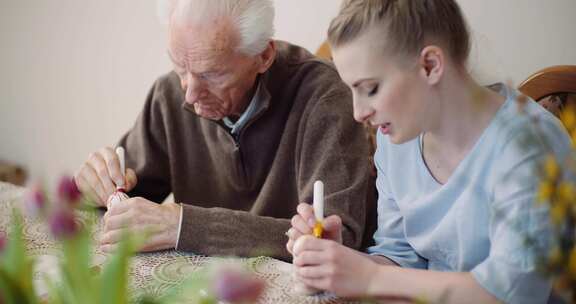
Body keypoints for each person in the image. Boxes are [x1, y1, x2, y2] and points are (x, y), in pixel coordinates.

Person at [286, 0, 572, 302]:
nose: (358, 113)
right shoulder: (398, 138)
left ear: (430, 65)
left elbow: (512, 293)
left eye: (370, 88)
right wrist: (338, 266)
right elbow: (401, 256)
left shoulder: (529, 147)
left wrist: (370, 277)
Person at [73, 0, 376, 261]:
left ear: (263, 56)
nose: (189, 94)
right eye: (180, 66)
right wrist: (99, 188)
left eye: (210, 74)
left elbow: (337, 237)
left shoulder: (324, 97)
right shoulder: (169, 95)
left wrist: (184, 226)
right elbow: (129, 198)